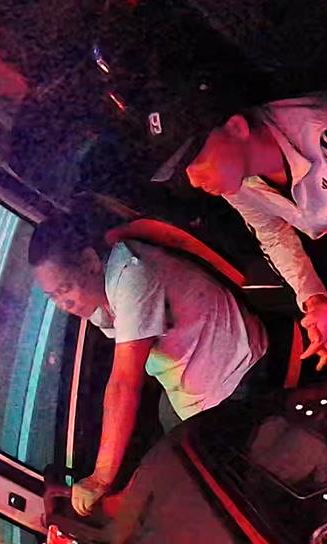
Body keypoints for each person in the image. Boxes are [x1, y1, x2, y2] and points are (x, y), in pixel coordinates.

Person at [30, 213, 267, 516]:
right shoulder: (98, 296)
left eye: (65, 289)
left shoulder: (132, 276)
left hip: (237, 374)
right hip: (193, 392)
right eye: (52, 296)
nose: (64, 304)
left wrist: (100, 478)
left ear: (90, 262)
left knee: (222, 500)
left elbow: (124, 383)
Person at [178, 96, 327, 370]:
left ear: (237, 127)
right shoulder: (237, 183)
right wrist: (316, 306)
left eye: (196, 159)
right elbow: (273, 235)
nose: (194, 181)